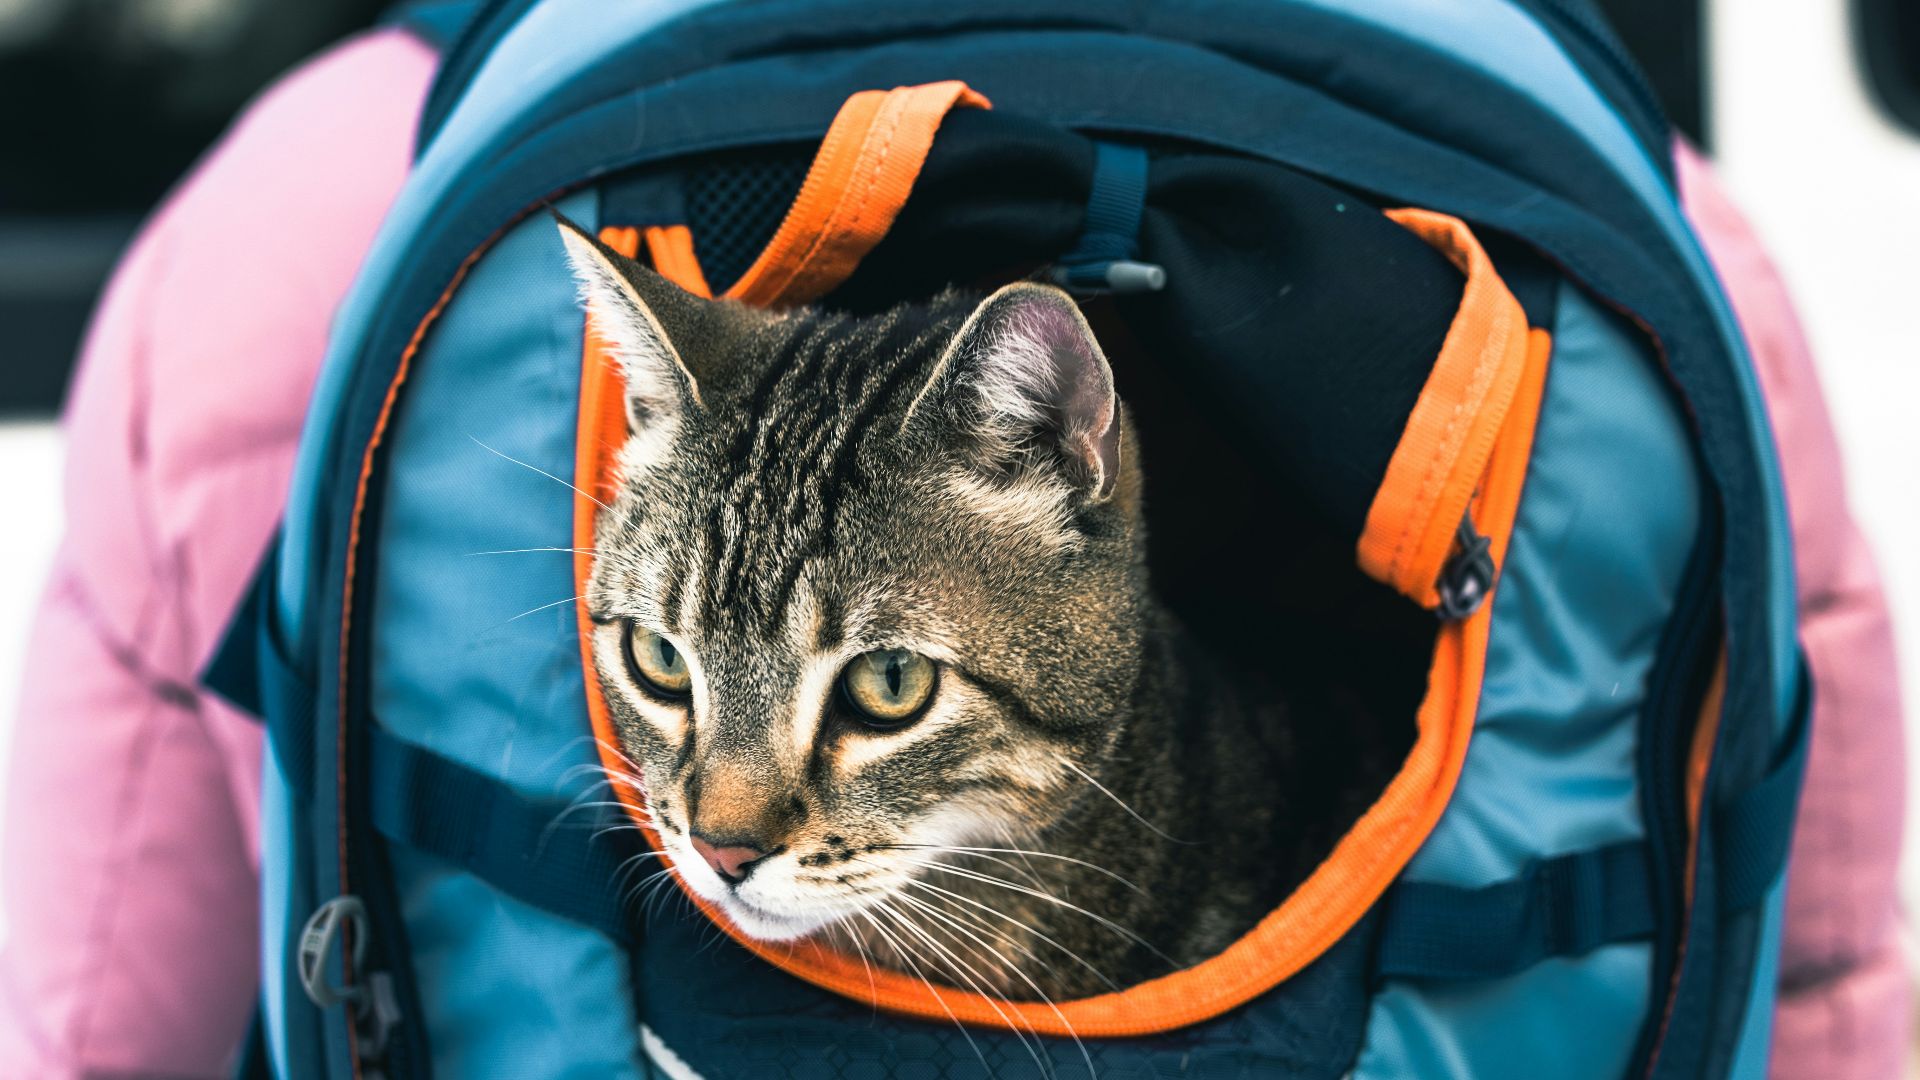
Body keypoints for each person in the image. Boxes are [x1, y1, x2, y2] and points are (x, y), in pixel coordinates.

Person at [0, 25, 1905, 1079]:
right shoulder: (1687, 214)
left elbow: (83, 1014)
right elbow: (1823, 975)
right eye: (658, 675)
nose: (722, 821)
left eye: (878, 690)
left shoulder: (290, 186)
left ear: (1069, 478)